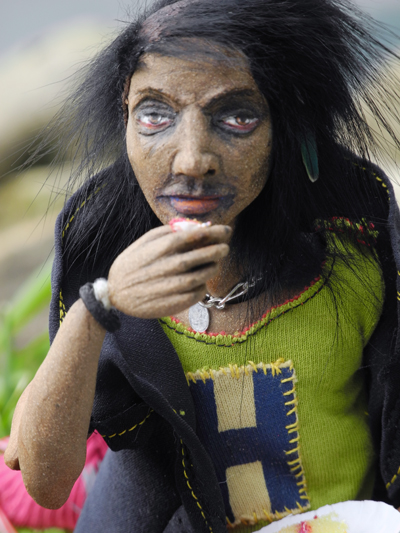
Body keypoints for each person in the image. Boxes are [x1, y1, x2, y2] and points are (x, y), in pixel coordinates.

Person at [4, 0, 400, 531]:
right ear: (123, 124)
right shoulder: (107, 267)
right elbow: (47, 482)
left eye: (237, 116)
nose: (191, 158)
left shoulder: (355, 262)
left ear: (288, 127)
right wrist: (96, 309)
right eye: (154, 115)